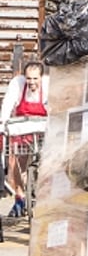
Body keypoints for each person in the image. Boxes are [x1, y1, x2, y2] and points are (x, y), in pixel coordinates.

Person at [1, 60, 48, 217]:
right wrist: (3, 124)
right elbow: (8, 105)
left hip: (42, 128)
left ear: (41, 77)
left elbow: (53, 108)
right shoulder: (18, 84)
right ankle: (19, 198)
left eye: (35, 78)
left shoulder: (47, 86)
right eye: (29, 78)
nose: (32, 82)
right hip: (23, 126)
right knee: (17, 163)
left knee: (47, 163)